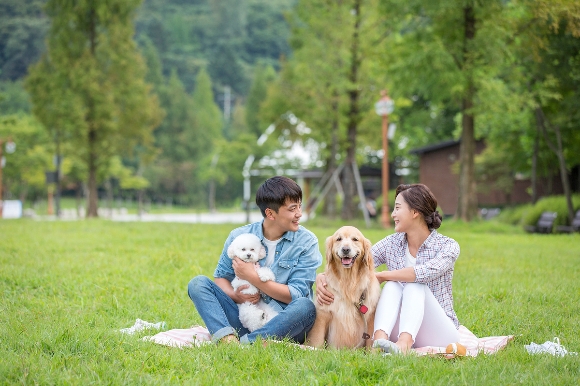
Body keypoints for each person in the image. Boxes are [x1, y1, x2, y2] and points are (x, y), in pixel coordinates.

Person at [316, 183, 460, 354]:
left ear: (415, 212)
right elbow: (359, 259)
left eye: (397, 208)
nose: (393, 214)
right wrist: (322, 277)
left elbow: (423, 273)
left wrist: (384, 275)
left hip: (440, 332)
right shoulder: (392, 243)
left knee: (411, 284)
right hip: (401, 327)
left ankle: (404, 346)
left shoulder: (448, 246)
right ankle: (380, 341)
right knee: (392, 286)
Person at [188, 176, 322, 345]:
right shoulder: (239, 236)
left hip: (283, 324)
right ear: (270, 213)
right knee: (198, 284)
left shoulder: (307, 242)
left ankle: (246, 343)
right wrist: (236, 296)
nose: (299, 214)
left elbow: (296, 295)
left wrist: (253, 278)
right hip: (244, 317)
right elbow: (221, 277)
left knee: (305, 306)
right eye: (292, 208)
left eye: (299, 206)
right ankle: (228, 338)